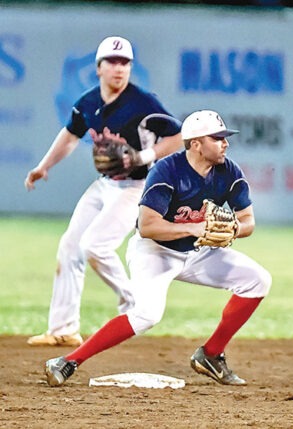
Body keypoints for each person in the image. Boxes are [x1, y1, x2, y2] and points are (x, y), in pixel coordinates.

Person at [44, 110, 272, 387]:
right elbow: (148, 225)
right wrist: (193, 228)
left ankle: (210, 355)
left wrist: (234, 228)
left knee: (258, 281)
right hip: (155, 252)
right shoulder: (167, 171)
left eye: (225, 138)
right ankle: (68, 361)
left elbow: (248, 221)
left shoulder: (229, 171)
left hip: (199, 251)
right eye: (218, 138)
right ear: (196, 144)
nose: (225, 143)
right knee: (146, 315)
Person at [25, 36, 183, 347]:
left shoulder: (143, 102)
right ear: (98, 68)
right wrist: (44, 166)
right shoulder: (87, 103)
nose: (119, 68)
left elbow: (177, 136)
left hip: (136, 186)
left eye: (125, 63)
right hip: (105, 184)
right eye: (112, 61)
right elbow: (71, 135)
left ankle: (134, 304)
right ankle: (63, 329)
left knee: (95, 246)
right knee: (70, 247)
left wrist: (142, 157)